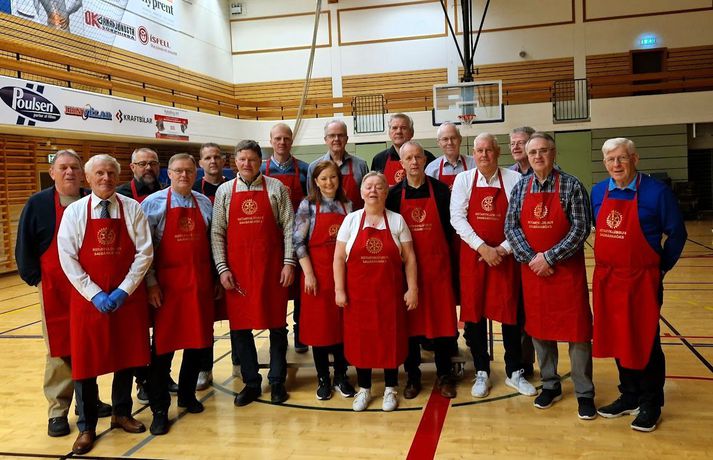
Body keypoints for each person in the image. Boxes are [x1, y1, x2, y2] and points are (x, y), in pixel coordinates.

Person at [57, 154, 153, 455]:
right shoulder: (74, 213)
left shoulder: (133, 209)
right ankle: (86, 427)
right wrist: (94, 293)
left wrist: (124, 290)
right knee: (86, 365)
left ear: (118, 175)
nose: (106, 178)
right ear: (88, 178)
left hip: (127, 299)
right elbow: (67, 258)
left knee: (126, 357)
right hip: (88, 303)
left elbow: (144, 252)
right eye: (99, 173)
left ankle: (122, 412)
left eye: (111, 173)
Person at [591, 138, 687, 432]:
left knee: (645, 339)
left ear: (635, 159)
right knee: (617, 335)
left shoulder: (657, 193)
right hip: (608, 279)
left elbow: (677, 235)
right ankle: (629, 394)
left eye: (621, 158)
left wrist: (660, 268)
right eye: (610, 160)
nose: (616, 165)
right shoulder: (598, 191)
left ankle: (651, 403)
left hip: (642, 280)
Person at [15, 150, 111, 438]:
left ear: (82, 173)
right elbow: (25, 246)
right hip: (56, 288)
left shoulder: (91, 199)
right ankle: (57, 410)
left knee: (87, 345)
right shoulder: (38, 204)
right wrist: (37, 280)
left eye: (74, 168)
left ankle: (88, 402)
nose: (69, 172)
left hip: (89, 288)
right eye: (63, 168)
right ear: (53, 172)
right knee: (59, 349)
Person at [504, 132, 596, 420]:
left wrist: (549, 257)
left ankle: (584, 392)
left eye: (544, 151)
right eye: (533, 153)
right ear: (527, 157)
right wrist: (533, 258)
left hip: (565, 273)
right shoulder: (520, 188)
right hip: (534, 273)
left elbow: (580, 229)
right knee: (539, 331)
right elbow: (511, 228)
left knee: (577, 333)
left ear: (554, 153)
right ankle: (550, 384)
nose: (538, 157)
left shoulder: (571, 185)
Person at [451, 133, 537, 399]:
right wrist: (483, 248)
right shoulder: (463, 179)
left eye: (489, 150)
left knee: (510, 314)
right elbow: (457, 218)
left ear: (498, 153)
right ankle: (481, 371)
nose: (484, 155)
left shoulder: (514, 180)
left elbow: (521, 219)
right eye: (479, 150)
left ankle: (514, 372)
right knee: (474, 317)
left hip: (505, 257)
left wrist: (502, 249)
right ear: (473, 154)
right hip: (475, 258)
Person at [212, 140, 295, 406]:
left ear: (261, 161)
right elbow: (217, 232)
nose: (247, 164)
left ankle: (277, 380)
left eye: (252, 159)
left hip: (272, 270)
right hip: (238, 274)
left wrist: (288, 262)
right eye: (242, 159)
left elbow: (289, 228)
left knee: (277, 327)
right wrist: (222, 268)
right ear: (235, 161)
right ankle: (251, 382)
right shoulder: (225, 191)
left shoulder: (276, 188)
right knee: (240, 330)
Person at [141, 154, 215, 435]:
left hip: (198, 285)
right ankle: (159, 408)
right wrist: (151, 284)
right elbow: (145, 251)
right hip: (167, 289)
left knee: (197, 346)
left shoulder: (205, 202)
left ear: (196, 173)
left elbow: (211, 244)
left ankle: (186, 395)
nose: (184, 175)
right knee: (162, 350)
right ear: (168, 174)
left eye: (189, 171)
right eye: (178, 171)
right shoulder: (153, 204)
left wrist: (215, 278)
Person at [334, 172, 418, 412]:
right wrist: (340, 290)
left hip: (390, 297)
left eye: (379, 187)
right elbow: (339, 258)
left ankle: (391, 388)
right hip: (358, 298)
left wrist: (413, 288)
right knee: (362, 342)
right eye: (368, 186)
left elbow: (410, 258)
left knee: (389, 339)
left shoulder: (397, 220)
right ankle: (364, 388)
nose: (373, 191)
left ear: (386, 192)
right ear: (361, 192)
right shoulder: (350, 221)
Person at [385, 142, 458, 399]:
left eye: (418, 157)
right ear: (401, 164)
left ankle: (445, 375)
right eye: (408, 158)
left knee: (442, 327)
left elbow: (451, 232)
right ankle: (412, 377)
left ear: (425, 160)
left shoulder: (440, 191)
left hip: (438, 270)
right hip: (407, 272)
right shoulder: (393, 196)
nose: (414, 162)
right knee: (411, 329)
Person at [293, 160, 357, 400]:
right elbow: (298, 242)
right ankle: (323, 379)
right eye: (323, 179)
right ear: (316, 183)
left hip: (343, 276)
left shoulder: (347, 205)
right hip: (316, 277)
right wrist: (308, 273)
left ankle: (341, 376)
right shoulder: (307, 206)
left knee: (342, 328)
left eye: (333, 177)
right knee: (319, 330)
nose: (329, 182)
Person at [261, 123, 310, 354]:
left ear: (292, 141)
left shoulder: (305, 169)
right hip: (271, 238)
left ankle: (300, 333)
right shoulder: (261, 170)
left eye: (286, 138)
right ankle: (278, 332)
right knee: (275, 288)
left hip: (300, 237)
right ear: (271, 141)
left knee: (301, 289)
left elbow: (312, 204)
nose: (282, 142)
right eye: (278, 138)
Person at [192, 143, 232, 391]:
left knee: (239, 316)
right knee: (204, 320)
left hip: (235, 260)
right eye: (208, 157)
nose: (213, 161)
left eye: (217, 157)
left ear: (225, 161)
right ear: (201, 163)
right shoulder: (193, 190)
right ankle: (204, 368)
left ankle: (240, 362)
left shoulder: (234, 186)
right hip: (204, 264)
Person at [508, 126, 537, 376]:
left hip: (545, 258)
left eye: (522, 142)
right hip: (517, 255)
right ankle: (522, 363)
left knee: (537, 313)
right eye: (513, 143)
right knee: (518, 312)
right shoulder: (510, 176)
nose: (517, 147)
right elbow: (510, 223)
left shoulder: (555, 177)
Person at [308, 119, 369, 210]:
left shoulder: (361, 165)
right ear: (326, 139)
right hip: (325, 221)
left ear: (347, 139)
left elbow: (367, 199)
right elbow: (312, 200)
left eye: (340, 135)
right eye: (332, 135)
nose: (336, 139)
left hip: (355, 222)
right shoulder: (314, 167)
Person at [370, 114, 436, 186]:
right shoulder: (379, 159)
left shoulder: (427, 157)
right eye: (394, 128)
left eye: (403, 128)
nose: (398, 132)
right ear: (389, 133)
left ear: (412, 132)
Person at [425, 122, 475, 190]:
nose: (450, 143)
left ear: (460, 139)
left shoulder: (474, 164)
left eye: (453, 138)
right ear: (439, 143)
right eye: (445, 139)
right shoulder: (431, 168)